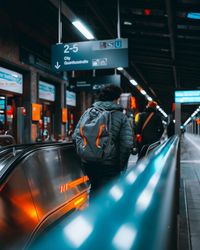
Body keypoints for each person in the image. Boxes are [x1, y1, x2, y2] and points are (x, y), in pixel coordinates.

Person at [73, 84, 133, 198]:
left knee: (95, 189)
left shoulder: (88, 112)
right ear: (116, 98)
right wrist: (121, 166)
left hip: (89, 164)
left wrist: (85, 155)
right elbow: (127, 144)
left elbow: (75, 137)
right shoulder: (121, 116)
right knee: (110, 194)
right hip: (110, 165)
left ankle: (92, 214)